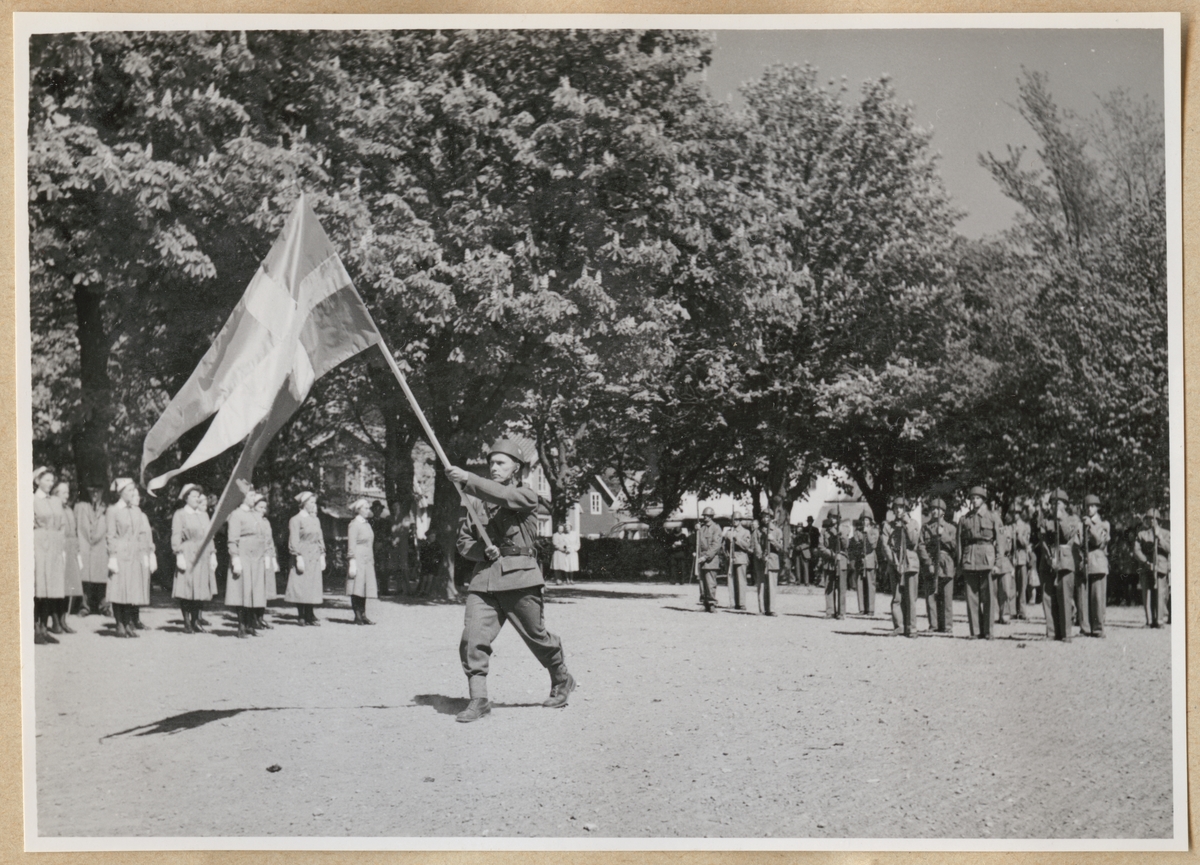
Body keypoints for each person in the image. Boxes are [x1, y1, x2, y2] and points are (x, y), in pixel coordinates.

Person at [448, 437, 574, 723]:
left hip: (520, 578)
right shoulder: (477, 503)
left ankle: (561, 678)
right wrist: (483, 549)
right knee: (472, 638)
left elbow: (503, 497)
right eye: (491, 462)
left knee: (537, 637)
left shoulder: (526, 495)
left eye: (500, 463)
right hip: (484, 580)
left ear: (515, 469)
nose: (494, 467)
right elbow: (464, 541)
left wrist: (468, 478)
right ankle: (478, 698)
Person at [106, 478, 155, 638]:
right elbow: (111, 535)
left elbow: (142, 533)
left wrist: (146, 553)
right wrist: (112, 556)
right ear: (120, 492)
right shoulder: (113, 510)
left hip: (134, 553)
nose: (133, 493)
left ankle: (128, 623)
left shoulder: (136, 511)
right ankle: (119, 624)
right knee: (119, 588)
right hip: (120, 552)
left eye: (133, 490)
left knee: (131, 588)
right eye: (129, 491)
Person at [170, 483, 218, 634]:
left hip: (203, 553)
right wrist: (178, 554)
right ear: (186, 497)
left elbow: (209, 536)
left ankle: (196, 620)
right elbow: (176, 535)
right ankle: (186, 622)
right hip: (188, 552)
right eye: (194, 496)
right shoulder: (180, 514)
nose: (197, 499)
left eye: (199, 496)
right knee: (187, 588)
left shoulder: (203, 515)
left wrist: (213, 553)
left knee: (201, 587)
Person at [957, 486, 1003, 640]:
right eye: (972, 498)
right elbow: (959, 542)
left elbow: (1001, 542)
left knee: (989, 596)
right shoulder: (965, 518)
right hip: (970, 559)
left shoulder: (992, 517)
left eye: (977, 498)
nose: (974, 501)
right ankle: (976, 631)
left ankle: (989, 631)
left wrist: (998, 562)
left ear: (983, 500)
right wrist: (960, 563)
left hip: (987, 558)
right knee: (971, 597)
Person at [1036, 489, 1080, 642]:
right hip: (1048, 560)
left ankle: (1066, 633)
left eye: (1059, 503)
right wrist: (1049, 557)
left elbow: (1069, 536)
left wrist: (1061, 520)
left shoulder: (1073, 519)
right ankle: (1051, 632)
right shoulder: (1045, 519)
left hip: (1065, 559)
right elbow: (1042, 539)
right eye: (1052, 504)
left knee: (1064, 596)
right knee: (1048, 597)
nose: (1055, 507)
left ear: (1065, 505)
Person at [225, 490, 269, 638]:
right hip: (244, 555)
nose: (253, 498)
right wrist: (235, 558)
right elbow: (232, 539)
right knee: (242, 591)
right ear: (242, 497)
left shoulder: (255, 515)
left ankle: (251, 625)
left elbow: (263, 536)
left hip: (256, 557)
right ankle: (241, 626)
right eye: (250, 495)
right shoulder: (236, 515)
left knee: (254, 592)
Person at [33, 466, 67, 644]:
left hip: (54, 547)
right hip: (38, 545)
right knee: (39, 587)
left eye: (52, 480)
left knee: (51, 589)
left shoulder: (55, 501)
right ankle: (36, 629)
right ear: (37, 480)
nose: (50, 483)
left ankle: (45, 628)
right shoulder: (31, 499)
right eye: (46, 479)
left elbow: (62, 525)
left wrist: (61, 547)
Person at [285, 491, 326, 626]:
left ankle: (310, 614)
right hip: (302, 554)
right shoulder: (295, 519)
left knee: (312, 585)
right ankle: (301, 615)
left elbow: (320, 537)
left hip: (314, 555)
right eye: (312, 502)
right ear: (304, 504)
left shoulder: (315, 519)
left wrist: (322, 554)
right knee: (300, 584)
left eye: (315, 502)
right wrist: (297, 556)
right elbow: (294, 539)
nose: (314, 505)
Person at [919, 498, 957, 635]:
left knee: (946, 596)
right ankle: (933, 625)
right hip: (931, 562)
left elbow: (955, 547)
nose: (934, 511)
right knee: (931, 596)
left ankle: (947, 626)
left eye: (937, 509)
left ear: (943, 512)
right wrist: (928, 563)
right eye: (932, 509)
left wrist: (944, 535)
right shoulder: (925, 527)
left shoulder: (951, 528)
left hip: (946, 562)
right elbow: (921, 546)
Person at [886, 497, 921, 637]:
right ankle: (899, 626)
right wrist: (894, 562)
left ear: (906, 509)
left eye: (901, 507)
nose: (898, 510)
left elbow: (914, 542)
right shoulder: (888, 526)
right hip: (895, 563)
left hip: (910, 563)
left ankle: (911, 627)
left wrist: (906, 523)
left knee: (911, 597)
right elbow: (885, 545)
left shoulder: (913, 523)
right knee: (896, 597)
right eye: (896, 507)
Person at [75, 487, 109, 618]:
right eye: (92, 491)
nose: (95, 494)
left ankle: (104, 606)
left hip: (100, 545)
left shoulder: (107, 508)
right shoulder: (81, 507)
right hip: (85, 545)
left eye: (98, 491)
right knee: (85, 577)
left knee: (102, 576)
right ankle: (84, 606)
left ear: (102, 492)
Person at [1079, 494, 1110, 638]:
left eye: (1092, 506)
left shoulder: (1104, 524)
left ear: (1097, 508)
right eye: (1087, 506)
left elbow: (1098, 541)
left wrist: (1090, 526)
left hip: (1098, 562)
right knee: (1083, 597)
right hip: (1084, 562)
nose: (1089, 509)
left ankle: (1098, 628)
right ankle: (1085, 628)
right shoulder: (1081, 523)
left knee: (1097, 597)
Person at [1133, 508, 1170, 628]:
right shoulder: (1142, 534)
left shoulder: (1166, 533)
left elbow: (1170, 549)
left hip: (1160, 567)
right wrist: (1145, 561)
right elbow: (1136, 550)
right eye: (1149, 519)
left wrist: (1159, 538)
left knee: (1160, 594)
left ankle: (1159, 621)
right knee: (1147, 594)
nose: (1151, 521)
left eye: (1154, 519)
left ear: (1158, 520)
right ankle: (1149, 620)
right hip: (1146, 567)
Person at [54, 480, 84, 624]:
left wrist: (78, 552)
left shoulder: (69, 510)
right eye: (63, 492)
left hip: (71, 550)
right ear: (56, 494)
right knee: (59, 587)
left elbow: (74, 532)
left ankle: (63, 620)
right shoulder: (54, 509)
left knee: (69, 587)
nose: (67, 495)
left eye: (67, 492)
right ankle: (55, 622)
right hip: (60, 550)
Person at [346, 498, 378, 625]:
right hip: (358, 557)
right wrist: (352, 560)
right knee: (357, 586)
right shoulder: (354, 525)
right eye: (365, 508)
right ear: (358, 510)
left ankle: (363, 614)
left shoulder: (367, 524)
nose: (368, 510)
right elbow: (351, 544)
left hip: (367, 558)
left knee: (364, 587)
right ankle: (357, 615)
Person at [820, 513, 851, 619]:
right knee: (829, 588)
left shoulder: (845, 529)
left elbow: (846, 546)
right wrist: (833, 555)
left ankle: (841, 612)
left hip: (841, 561)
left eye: (835, 517)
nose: (833, 519)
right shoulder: (824, 531)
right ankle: (830, 612)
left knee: (841, 588)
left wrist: (841, 534)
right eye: (831, 517)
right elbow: (821, 547)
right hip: (829, 561)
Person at [254, 495, 278, 630]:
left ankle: (260, 617)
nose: (263, 510)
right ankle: (253, 618)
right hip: (256, 557)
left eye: (264, 507)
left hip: (267, 557)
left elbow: (270, 541)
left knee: (265, 589)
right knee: (256, 589)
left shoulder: (266, 522)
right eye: (260, 507)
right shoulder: (252, 521)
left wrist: (273, 557)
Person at [849, 514, 879, 616]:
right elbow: (855, 544)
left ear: (870, 521)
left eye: (866, 520)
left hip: (870, 560)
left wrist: (867, 533)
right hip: (860, 560)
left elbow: (873, 544)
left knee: (870, 584)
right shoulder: (858, 531)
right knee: (860, 584)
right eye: (863, 520)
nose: (864, 522)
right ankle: (862, 609)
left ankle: (871, 609)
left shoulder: (874, 531)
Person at [695, 507, 723, 613]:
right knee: (702, 583)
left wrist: (706, 556)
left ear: (711, 516)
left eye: (706, 516)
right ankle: (705, 603)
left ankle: (712, 603)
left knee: (710, 583)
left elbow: (716, 545)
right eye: (704, 516)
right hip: (701, 559)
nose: (705, 517)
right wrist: (696, 530)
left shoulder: (716, 528)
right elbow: (697, 543)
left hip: (710, 560)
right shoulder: (701, 528)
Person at [753, 512, 781, 616]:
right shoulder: (757, 531)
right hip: (761, 561)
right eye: (764, 517)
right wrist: (761, 556)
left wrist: (772, 540)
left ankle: (771, 609)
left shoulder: (777, 531)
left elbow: (781, 548)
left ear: (771, 518)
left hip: (773, 561)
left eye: (768, 517)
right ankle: (762, 609)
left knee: (772, 586)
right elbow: (756, 545)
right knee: (761, 585)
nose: (765, 519)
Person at [1009, 504, 1032, 620]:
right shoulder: (1010, 527)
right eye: (1013, 513)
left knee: (1022, 586)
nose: (1015, 515)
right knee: (1012, 586)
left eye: (1017, 513)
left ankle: (1022, 611)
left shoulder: (1026, 527)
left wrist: (1018, 536)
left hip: (1022, 558)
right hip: (1012, 559)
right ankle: (1012, 611)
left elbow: (1026, 543)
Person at [728, 512, 752, 609]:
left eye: (737, 520)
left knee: (741, 581)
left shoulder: (745, 532)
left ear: (740, 521)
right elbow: (724, 545)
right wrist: (727, 554)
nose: (734, 522)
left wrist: (736, 538)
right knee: (731, 581)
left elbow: (747, 546)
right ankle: (733, 602)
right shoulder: (729, 531)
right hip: (731, 558)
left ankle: (741, 603)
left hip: (741, 557)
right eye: (733, 520)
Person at [551, 521, 581, 585]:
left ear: (571, 527)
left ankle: (571, 579)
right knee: (566, 566)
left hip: (573, 551)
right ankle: (566, 579)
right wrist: (565, 549)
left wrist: (574, 549)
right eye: (566, 527)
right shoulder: (564, 535)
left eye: (568, 527)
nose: (567, 528)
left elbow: (578, 543)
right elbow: (561, 543)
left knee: (572, 566)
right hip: (566, 551)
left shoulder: (574, 534)